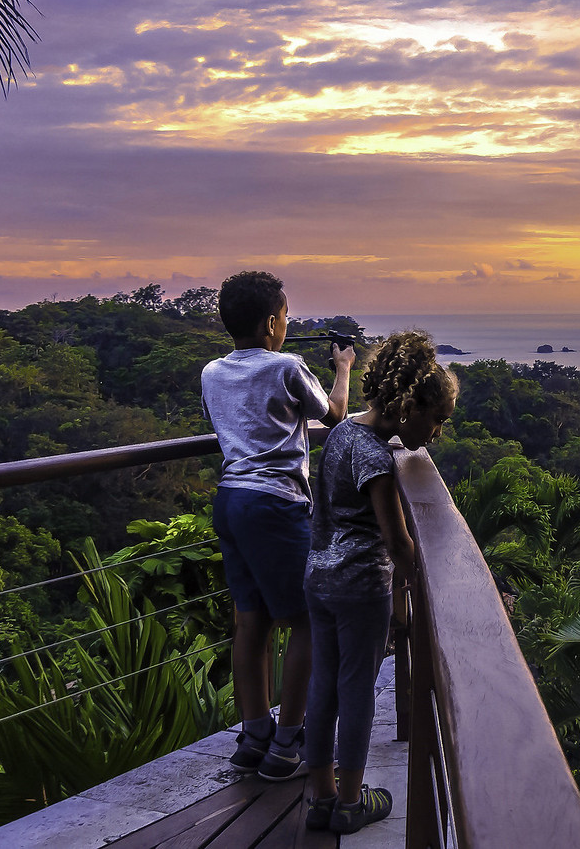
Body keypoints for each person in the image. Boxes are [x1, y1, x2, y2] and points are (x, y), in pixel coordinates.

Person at [201, 271, 355, 781]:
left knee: (252, 623)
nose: (287, 325)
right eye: (286, 316)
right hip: (275, 504)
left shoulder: (212, 372)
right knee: (308, 622)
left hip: (230, 500)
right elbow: (334, 414)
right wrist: (342, 367)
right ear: (272, 322)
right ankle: (289, 742)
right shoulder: (287, 366)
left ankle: (255, 734)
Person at [303, 330, 456, 833]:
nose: (436, 433)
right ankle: (352, 800)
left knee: (323, 685)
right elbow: (396, 541)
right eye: (436, 420)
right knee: (357, 691)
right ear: (410, 407)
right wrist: (419, 584)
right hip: (360, 586)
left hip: (320, 577)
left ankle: (323, 795)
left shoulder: (344, 431)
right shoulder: (377, 461)